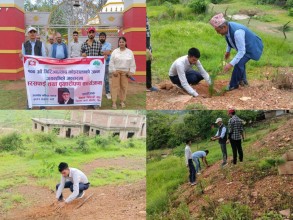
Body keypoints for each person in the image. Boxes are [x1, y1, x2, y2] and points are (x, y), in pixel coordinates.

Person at [209, 13, 263, 91]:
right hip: (244, 47)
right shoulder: (227, 28)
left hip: (252, 46)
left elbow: (242, 51)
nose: (218, 33)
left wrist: (230, 64)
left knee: (238, 63)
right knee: (240, 62)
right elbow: (229, 39)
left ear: (224, 27)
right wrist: (228, 51)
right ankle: (243, 81)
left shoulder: (237, 32)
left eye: (218, 31)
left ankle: (233, 85)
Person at [20, 27, 46, 110]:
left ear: (36, 34)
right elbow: (23, 58)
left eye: (34, 32)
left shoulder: (41, 44)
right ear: (28, 34)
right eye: (30, 32)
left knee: (41, 86)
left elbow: (44, 56)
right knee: (29, 87)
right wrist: (21, 57)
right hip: (29, 70)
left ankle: (42, 106)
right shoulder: (24, 44)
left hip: (39, 69)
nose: (32, 33)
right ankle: (29, 105)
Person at [109, 37, 136, 109]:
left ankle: (122, 101)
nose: (121, 43)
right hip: (116, 72)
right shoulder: (115, 51)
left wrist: (131, 71)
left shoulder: (129, 52)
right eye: (120, 42)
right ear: (118, 43)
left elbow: (132, 62)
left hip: (125, 72)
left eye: (123, 42)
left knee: (124, 87)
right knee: (114, 87)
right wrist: (113, 70)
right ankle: (114, 102)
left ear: (125, 43)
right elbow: (111, 62)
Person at [81, 27, 102, 109]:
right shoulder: (83, 44)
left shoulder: (98, 44)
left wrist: (104, 58)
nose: (91, 34)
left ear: (95, 34)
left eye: (93, 32)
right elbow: (81, 57)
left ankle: (95, 103)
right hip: (86, 69)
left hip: (96, 70)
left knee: (95, 85)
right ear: (87, 33)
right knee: (86, 85)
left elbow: (101, 56)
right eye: (90, 32)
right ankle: (87, 102)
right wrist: (82, 55)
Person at [146, 15, 158, 92]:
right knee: (147, 67)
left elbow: (148, 35)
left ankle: (148, 85)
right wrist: (147, 49)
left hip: (148, 47)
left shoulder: (145, 18)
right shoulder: (143, 19)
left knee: (148, 67)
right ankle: (148, 86)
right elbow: (146, 34)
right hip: (146, 49)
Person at [99, 32, 112, 100]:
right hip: (98, 65)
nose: (102, 38)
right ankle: (97, 93)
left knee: (106, 79)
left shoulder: (108, 44)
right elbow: (104, 52)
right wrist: (104, 52)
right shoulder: (97, 44)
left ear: (105, 38)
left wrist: (100, 52)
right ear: (99, 38)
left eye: (103, 37)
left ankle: (107, 92)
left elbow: (108, 52)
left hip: (106, 64)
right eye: (101, 37)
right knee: (97, 79)